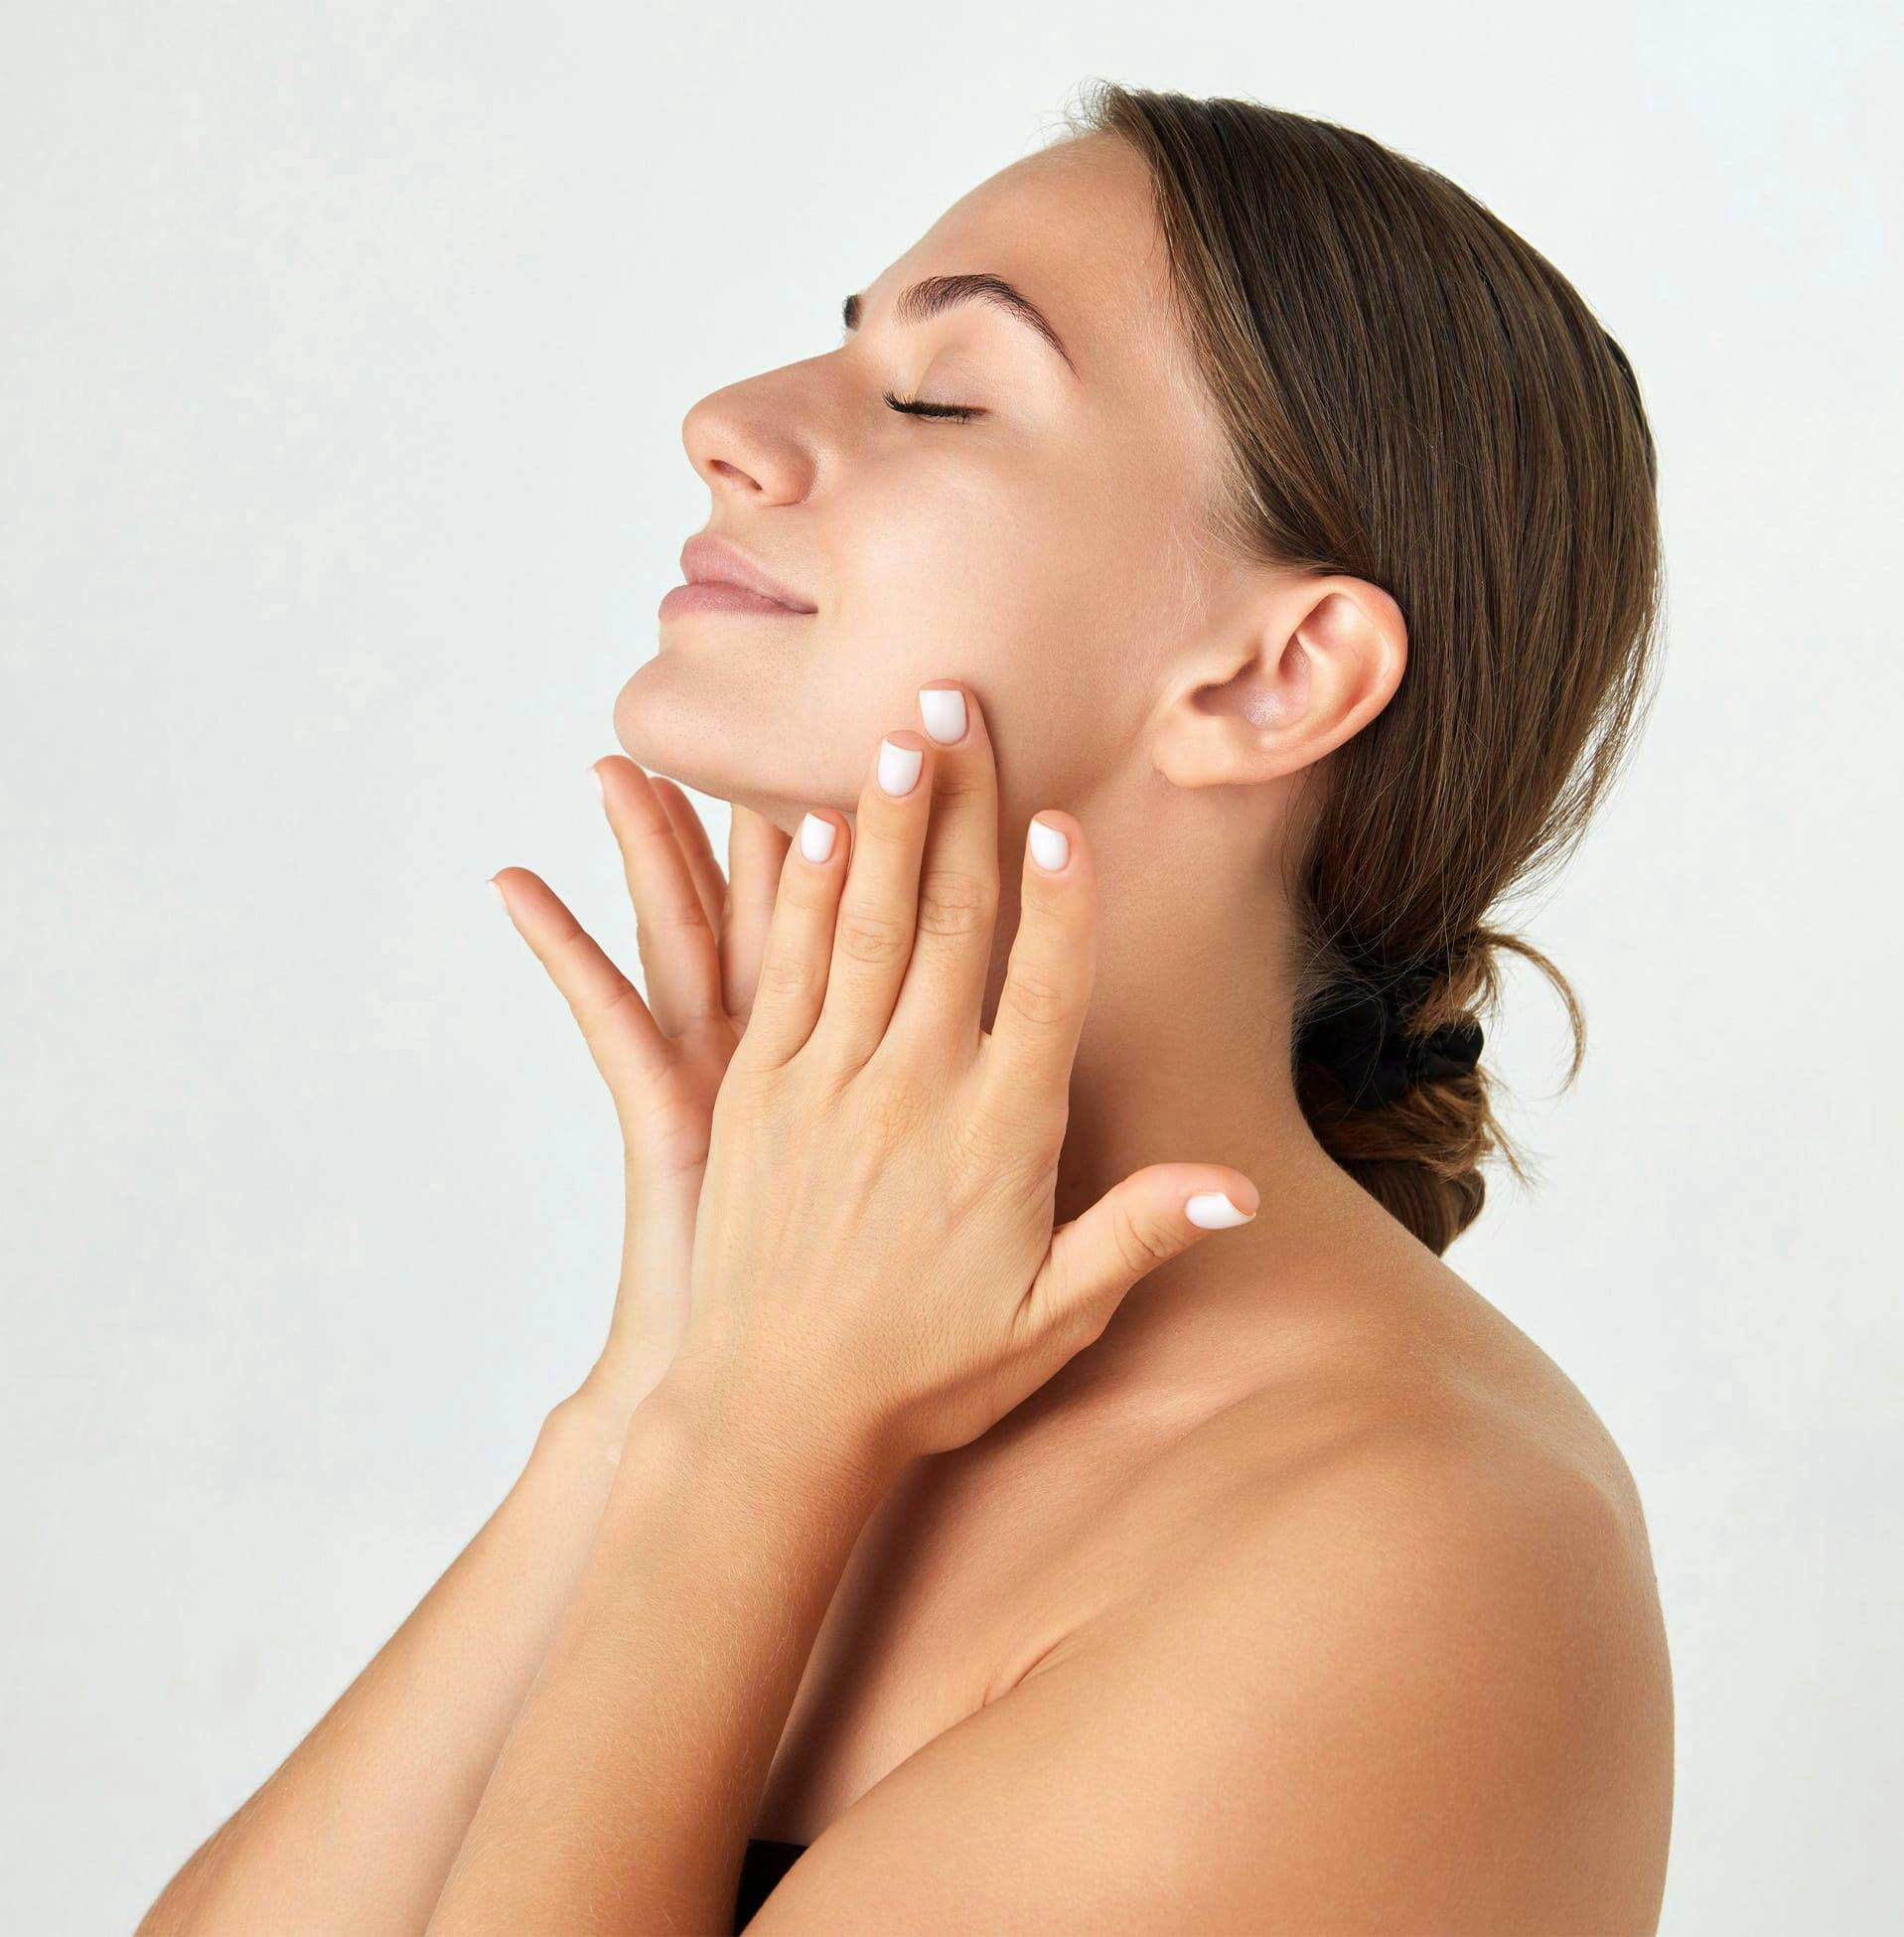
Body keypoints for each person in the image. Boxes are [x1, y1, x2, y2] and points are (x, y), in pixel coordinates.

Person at [138, 82, 1673, 1936]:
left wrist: (747, 1448)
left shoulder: (1424, 1548)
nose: (726, 426)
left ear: (1276, 673)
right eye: (843, 338)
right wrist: (665, 1378)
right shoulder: (777, 1350)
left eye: (940, 396)